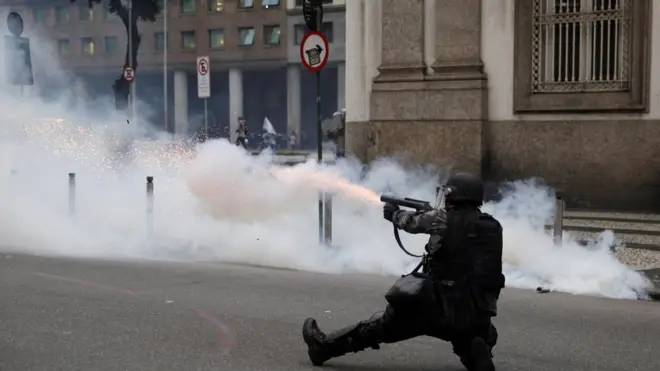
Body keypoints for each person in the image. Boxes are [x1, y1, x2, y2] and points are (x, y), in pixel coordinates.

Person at [302, 172, 505, 371]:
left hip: (436, 306)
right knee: (474, 335)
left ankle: (322, 348)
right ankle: (477, 354)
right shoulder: (492, 226)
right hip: (476, 311)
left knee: (380, 326)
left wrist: (393, 213)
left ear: (453, 195)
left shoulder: (441, 218)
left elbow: (410, 222)